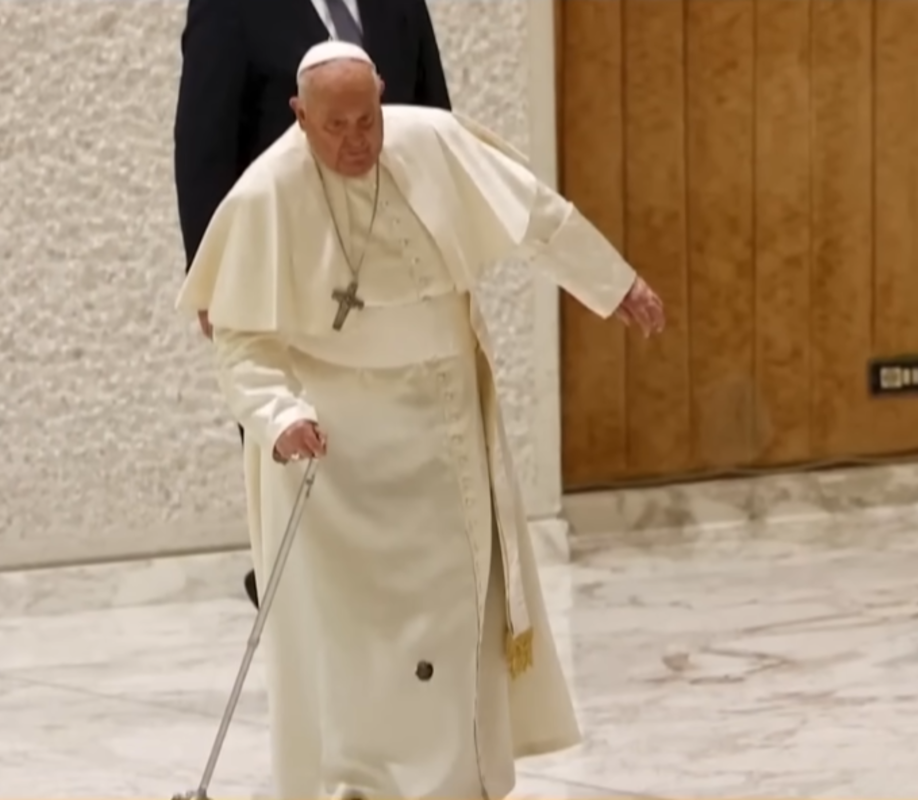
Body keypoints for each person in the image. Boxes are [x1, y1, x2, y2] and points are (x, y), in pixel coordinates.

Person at [176, 41, 665, 800]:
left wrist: (614, 282)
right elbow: (242, 343)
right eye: (334, 126)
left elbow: (535, 215)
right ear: (299, 116)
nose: (356, 141)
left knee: (449, 624)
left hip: (441, 433)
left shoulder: (431, 141)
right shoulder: (265, 195)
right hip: (335, 457)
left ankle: (455, 784)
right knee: (354, 649)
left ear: (381, 100)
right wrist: (280, 417)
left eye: (367, 119)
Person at [173, 0, 452, 608]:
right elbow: (204, 137)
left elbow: (434, 116)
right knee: (296, 426)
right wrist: (212, 269)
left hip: (389, 262)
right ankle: (292, 579)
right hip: (286, 265)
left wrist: (445, 239)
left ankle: (397, 581)